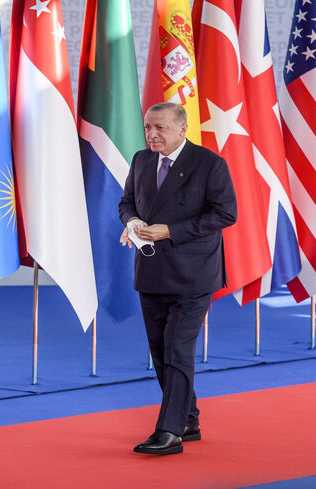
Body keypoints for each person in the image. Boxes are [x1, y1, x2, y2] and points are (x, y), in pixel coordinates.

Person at [118, 102, 237, 455]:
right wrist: (132, 222)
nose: (152, 135)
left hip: (193, 274)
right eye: (148, 128)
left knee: (177, 349)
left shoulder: (209, 164)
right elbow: (126, 202)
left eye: (160, 128)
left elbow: (225, 213)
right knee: (159, 351)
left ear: (183, 129)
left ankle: (169, 431)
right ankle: (188, 418)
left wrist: (171, 230)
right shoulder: (141, 160)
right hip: (151, 271)